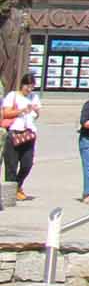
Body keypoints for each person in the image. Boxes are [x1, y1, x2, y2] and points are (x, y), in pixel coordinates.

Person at [1, 74, 39, 203]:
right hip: (14, 132)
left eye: (32, 87)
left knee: (27, 164)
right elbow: (6, 113)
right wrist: (21, 110)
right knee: (11, 165)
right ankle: (9, 195)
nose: (29, 90)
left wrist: (35, 110)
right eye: (27, 86)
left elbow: (36, 115)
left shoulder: (34, 97)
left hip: (28, 134)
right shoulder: (13, 96)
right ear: (22, 85)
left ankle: (17, 186)